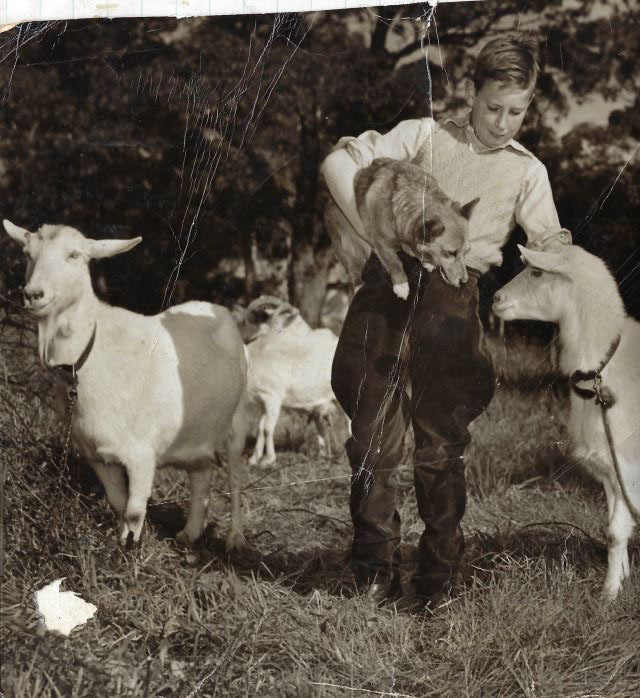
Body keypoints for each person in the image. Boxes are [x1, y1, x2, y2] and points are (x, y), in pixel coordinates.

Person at [320, 35, 571, 608]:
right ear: (468, 92)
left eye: (517, 111)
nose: (504, 123)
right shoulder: (422, 136)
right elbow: (339, 162)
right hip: (388, 290)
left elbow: (550, 247)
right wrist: (369, 234)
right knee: (372, 439)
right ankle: (372, 573)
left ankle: (436, 580)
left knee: (440, 444)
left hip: (452, 304)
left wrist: (562, 262)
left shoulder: (527, 172)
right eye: (492, 108)